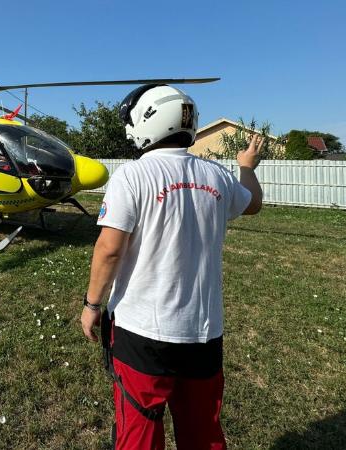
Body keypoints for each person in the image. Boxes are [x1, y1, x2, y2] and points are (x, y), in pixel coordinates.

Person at [80, 84, 263, 450]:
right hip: (204, 332)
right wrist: (245, 167)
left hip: (142, 332)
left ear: (145, 122)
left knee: (141, 428)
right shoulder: (218, 177)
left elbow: (109, 250)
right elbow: (253, 203)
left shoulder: (131, 177)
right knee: (202, 431)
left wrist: (92, 305)